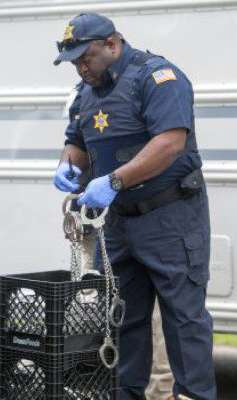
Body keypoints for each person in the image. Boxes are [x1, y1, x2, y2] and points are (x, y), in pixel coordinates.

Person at [53, 12, 217, 400]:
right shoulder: (86, 92)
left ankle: (193, 395)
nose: (80, 66)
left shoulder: (157, 77)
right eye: (74, 60)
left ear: (113, 44)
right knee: (121, 318)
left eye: (86, 57)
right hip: (119, 224)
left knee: (183, 319)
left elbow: (170, 142)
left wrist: (113, 180)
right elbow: (77, 141)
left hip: (169, 217)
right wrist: (67, 164)